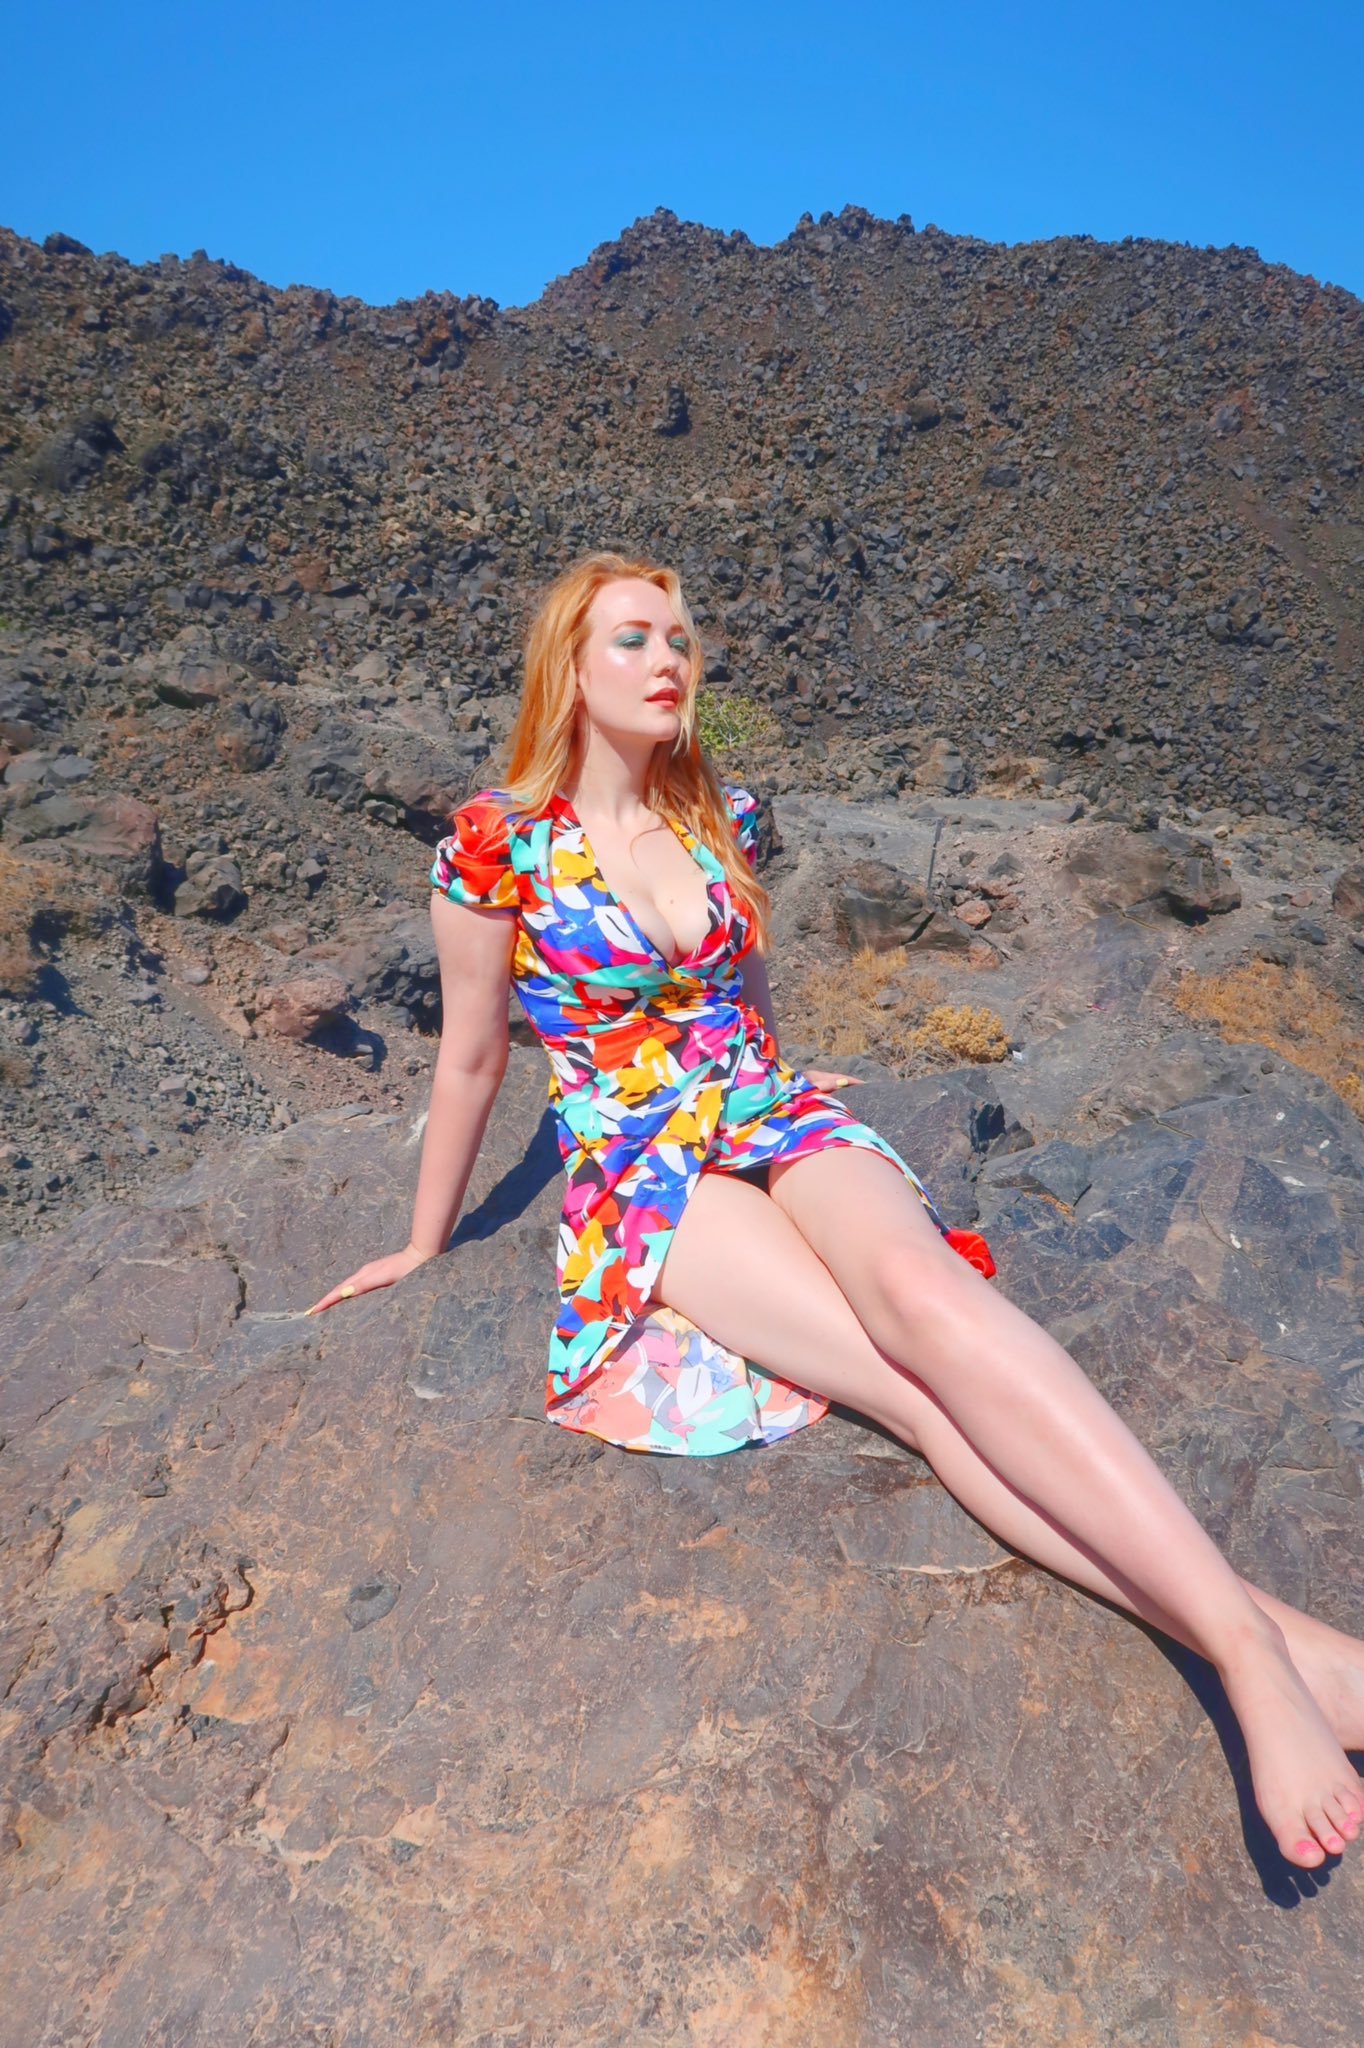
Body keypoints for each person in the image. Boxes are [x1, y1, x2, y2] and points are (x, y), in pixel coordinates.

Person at [306, 550, 1364, 1872]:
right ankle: (1263, 1648)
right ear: (567, 668)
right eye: (633, 639)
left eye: (680, 639)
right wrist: (424, 1242)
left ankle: (1255, 1655)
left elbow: (747, 995)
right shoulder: (495, 843)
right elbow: (470, 1059)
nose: (668, 661)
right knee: (909, 1394)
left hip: (767, 1106)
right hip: (643, 1162)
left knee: (928, 1300)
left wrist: (790, 1077)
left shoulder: (720, 815)